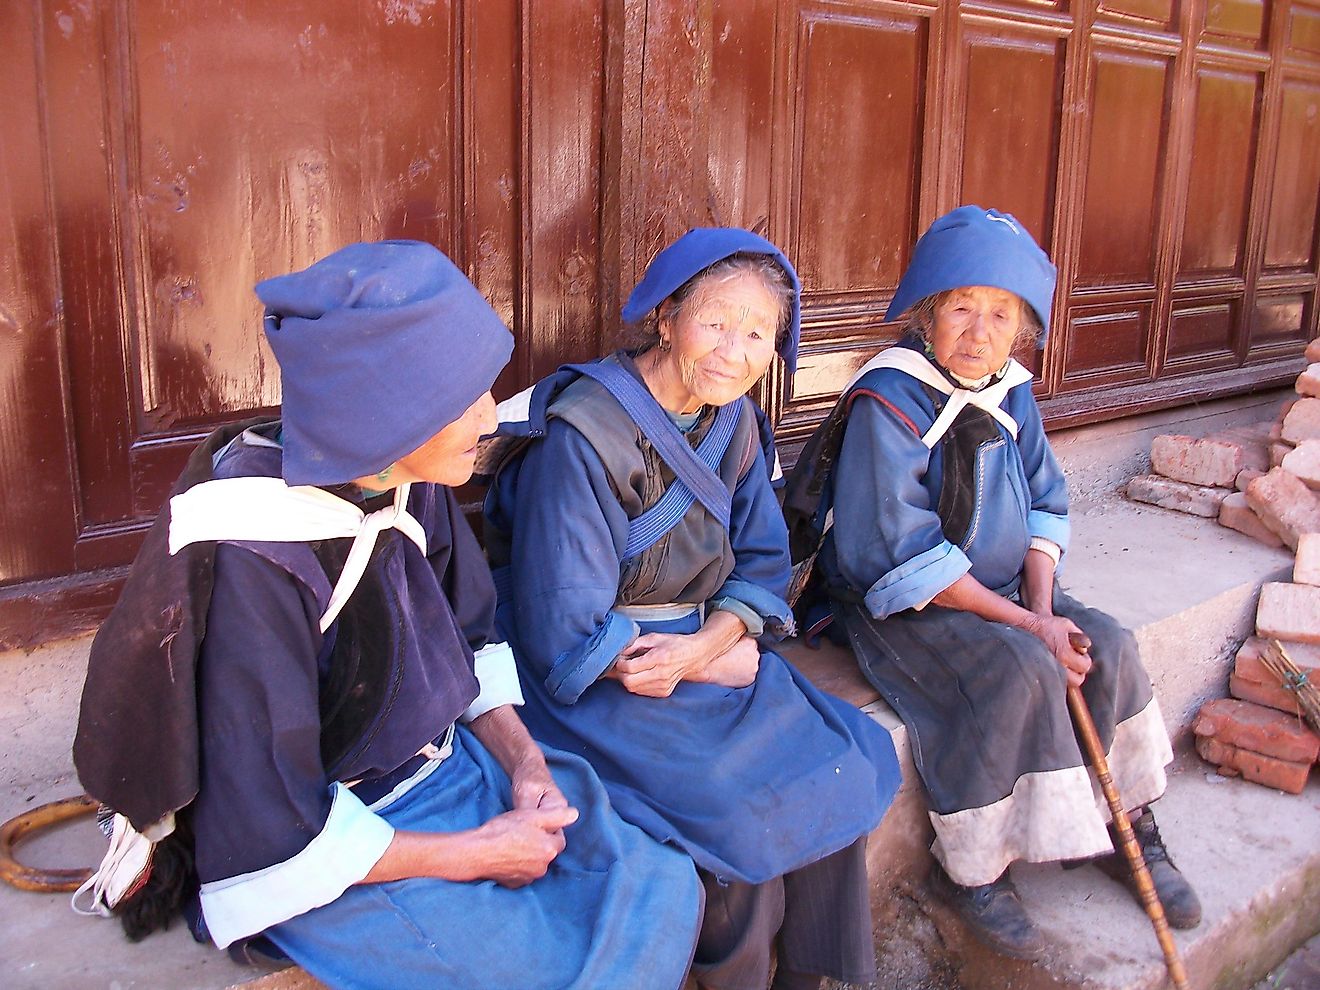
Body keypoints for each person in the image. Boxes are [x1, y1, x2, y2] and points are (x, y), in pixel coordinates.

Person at [72, 241, 701, 990]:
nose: (489, 418)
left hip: (448, 770)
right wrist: (479, 852)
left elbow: (470, 638)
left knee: (658, 887)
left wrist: (525, 764)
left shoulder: (406, 471)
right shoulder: (255, 557)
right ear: (386, 421)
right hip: (339, 839)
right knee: (568, 973)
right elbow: (273, 821)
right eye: (464, 402)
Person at [483, 228, 903, 990]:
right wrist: (687, 660)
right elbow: (561, 624)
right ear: (667, 318)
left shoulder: (736, 420)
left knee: (836, 762)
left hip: (699, 652)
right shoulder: (583, 437)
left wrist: (712, 645)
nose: (733, 352)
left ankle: (812, 976)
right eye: (715, 323)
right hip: (605, 673)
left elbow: (763, 560)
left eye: (756, 334)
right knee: (735, 820)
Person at [786, 207, 1201, 960]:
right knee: (1013, 675)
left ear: (1023, 330)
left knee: (1105, 643)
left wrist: (1043, 610)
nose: (979, 332)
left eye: (1000, 314)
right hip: (901, 604)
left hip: (1009, 594)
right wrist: (1025, 631)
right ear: (925, 314)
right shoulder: (890, 398)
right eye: (960, 308)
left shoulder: (1012, 392)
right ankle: (973, 869)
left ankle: (1122, 824)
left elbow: (1046, 501)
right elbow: (901, 551)